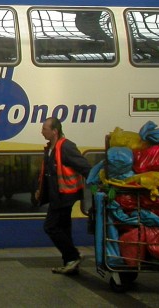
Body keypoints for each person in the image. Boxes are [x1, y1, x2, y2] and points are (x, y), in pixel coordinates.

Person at [34, 116, 92, 276]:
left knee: (50, 226)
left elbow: (84, 166)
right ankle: (70, 262)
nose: (42, 131)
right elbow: (48, 173)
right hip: (56, 195)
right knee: (64, 228)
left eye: (45, 128)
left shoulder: (66, 147)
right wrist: (40, 189)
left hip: (64, 195)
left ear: (54, 131)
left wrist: (97, 183)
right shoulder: (50, 148)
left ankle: (74, 255)